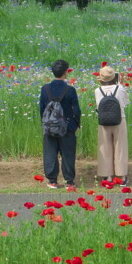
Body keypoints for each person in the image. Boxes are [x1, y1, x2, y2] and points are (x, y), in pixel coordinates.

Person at [39, 59, 82, 189]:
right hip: (67, 127)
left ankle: (52, 180)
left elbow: (42, 108)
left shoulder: (45, 89)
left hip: (49, 127)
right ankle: (69, 181)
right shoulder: (70, 90)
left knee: (50, 152)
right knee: (68, 153)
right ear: (65, 72)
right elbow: (76, 110)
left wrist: (46, 122)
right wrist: (75, 125)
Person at [95, 65, 130, 187]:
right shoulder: (120, 89)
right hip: (119, 119)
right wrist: (121, 85)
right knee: (120, 147)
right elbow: (125, 103)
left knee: (105, 147)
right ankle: (122, 176)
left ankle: (108, 176)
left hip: (104, 121)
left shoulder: (97, 90)